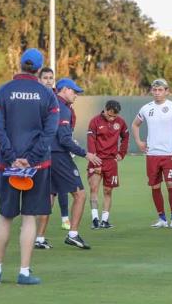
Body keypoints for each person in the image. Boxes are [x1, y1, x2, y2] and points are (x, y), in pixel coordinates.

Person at [0, 48, 58, 285]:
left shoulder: (3, 91)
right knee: (29, 217)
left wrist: (11, 157)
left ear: (20, 64)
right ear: (39, 69)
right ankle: (24, 272)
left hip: (7, 164)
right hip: (37, 165)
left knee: (5, 217)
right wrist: (31, 158)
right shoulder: (47, 94)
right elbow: (50, 132)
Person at [40, 78, 101, 249]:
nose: (76, 95)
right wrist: (85, 153)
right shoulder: (63, 109)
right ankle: (73, 234)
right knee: (80, 195)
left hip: (46, 155)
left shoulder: (49, 105)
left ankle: (39, 238)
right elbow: (65, 139)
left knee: (50, 196)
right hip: (59, 156)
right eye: (74, 91)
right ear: (65, 89)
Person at [132, 79, 172, 228]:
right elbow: (135, 124)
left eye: (160, 90)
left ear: (167, 91)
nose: (157, 93)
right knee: (155, 186)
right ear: (152, 91)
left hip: (169, 154)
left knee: (170, 184)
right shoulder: (146, 108)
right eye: (155, 90)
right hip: (152, 155)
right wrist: (139, 142)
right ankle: (162, 219)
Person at [86, 100, 130, 229]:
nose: (111, 118)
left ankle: (105, 220)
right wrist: (94, 159)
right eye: (109, 115)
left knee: (108, 190)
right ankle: (95, 219)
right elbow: (91, 140)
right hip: (97, 160)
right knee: (94, 188)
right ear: (105, 110)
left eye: (114, 116)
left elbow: (126, 137)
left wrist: (121, 153)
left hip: (111, 161)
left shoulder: (120, 122)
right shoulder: (95, 121)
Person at [38, 66, 71, 230]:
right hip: (38, 149)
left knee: (60, 186)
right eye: (45, 77)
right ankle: (31, 223)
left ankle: (65, 218)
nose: (49, 80)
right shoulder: (35, 96)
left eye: (51, 77)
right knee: (38, 188)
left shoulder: (57, 99)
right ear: (39, 79)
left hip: (56, 149)